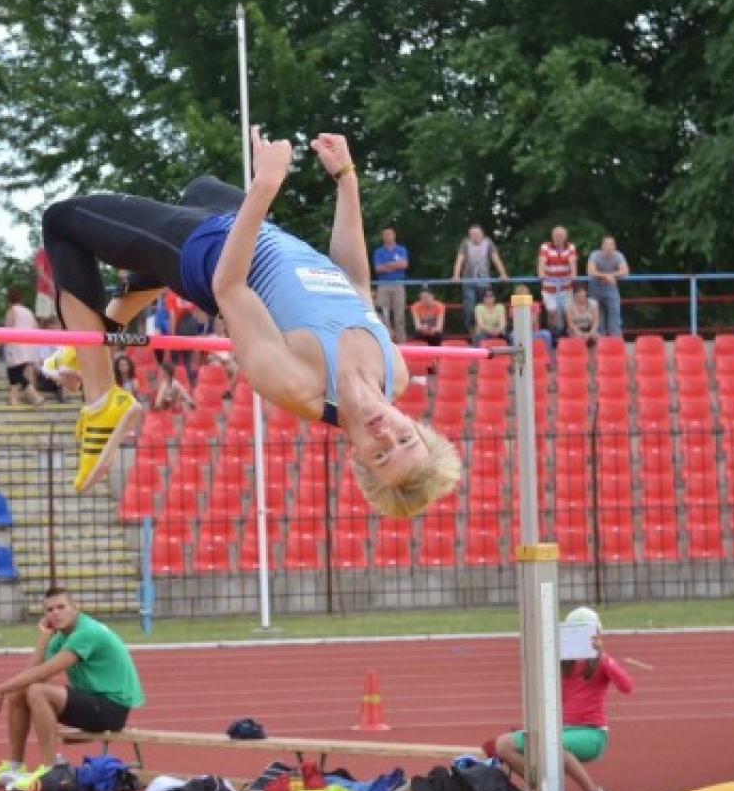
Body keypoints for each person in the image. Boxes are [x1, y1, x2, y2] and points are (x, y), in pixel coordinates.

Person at [39, 127, 461, 515]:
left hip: (206, 248)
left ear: (358, 458)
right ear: (416, 426)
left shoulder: (299, 386)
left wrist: (265, 188)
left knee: (60, 222)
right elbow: (354, 281)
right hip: (253, 229)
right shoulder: (394, 372)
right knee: (200, 188)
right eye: (404, 439)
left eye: (381, 454)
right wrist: (346, 179)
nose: (385, 433)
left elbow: (229, 288)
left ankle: (100, 398)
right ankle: (90, 344)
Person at [0, 587, 144, 791]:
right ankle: (14, 766)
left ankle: (51, 769)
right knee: (20, 692)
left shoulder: (86, 633)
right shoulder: (62, 636)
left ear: (75, 608)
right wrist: (44, 637)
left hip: (112, 709)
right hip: (92, 702)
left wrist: (0, 689)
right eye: (50, 610)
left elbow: (43, 673)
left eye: (61, 607)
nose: (55, 613)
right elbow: (32, 672)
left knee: (37, 691)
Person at [489, 607, 633, 791]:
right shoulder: (561, 663)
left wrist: (602, 655)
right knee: (503, 745)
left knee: (554, 743)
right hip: (560, 730)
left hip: (591, 733)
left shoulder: (602, 662)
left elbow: (627, 686)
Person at [451, 224, 508, 335]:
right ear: (469, 236)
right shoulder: (465, 243)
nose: (475, 236)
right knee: (469, 307)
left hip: (484, 280)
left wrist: (503, 274)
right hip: (468, 280)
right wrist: (456, 275)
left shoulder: (488, 243)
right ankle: (473, 333)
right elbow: (460, 259)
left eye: (477, 234)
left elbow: (496, 258)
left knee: (486, 306)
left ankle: (489, 332)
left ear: (482, 234)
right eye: (472, 234)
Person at [2, 288, 45, 407]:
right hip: (29, 347)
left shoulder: (12, 311)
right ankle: (13, 399)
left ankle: (35, 396)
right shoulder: (28, 312)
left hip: (15, 347)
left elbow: (7, 329)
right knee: (14, 373)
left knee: (16, 373)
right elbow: (36, 327)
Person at [584, 237, 629, 337]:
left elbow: (625, 271)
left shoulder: (618, 255)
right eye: (606, 245)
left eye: (611, 245)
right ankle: (600, 341)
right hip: (595, 289)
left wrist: (610, 276)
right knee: (598, 317)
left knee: (615, 314)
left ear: (615, 247)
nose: (609, 247)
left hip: (611, 288)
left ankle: (616, 340)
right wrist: (606, 276)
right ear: (602, 246)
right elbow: (590, 271)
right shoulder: (595, 255)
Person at [372, 227, 410, 343]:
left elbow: (404, 265)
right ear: (383, 237)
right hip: (383, 285)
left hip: (398, 284)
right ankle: (385, 341)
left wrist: (387, 265)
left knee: (399, 314)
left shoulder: (401, 249)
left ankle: (401, 342)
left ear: (394, 235)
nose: (388, 237)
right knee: (383, 315)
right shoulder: (379, 251)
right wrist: (395, 265)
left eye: (390, 234)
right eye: (385, 235)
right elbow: (378, 268)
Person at [536, 226, 576, 333]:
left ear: (565, 237)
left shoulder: (571, 247)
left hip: (566, 286)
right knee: (551, 311)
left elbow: (572, 262)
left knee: (567, 311)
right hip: (549, 287)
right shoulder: (545, 246)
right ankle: (552, 332)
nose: (558, 238)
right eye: (556, 236)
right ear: (552, 236)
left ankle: (567, 333)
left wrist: (574, 273)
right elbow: (542, 262)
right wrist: (541, 273)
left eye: (561, 236)